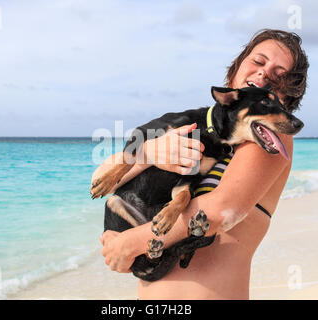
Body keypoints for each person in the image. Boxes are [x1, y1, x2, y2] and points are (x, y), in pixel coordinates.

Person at [93, 29, 309, 299]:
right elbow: (101, 175)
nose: (265, 74)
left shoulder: (271, 139)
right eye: (258, 61)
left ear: (284, 98)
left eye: (279, 75)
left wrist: (128, 244)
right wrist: (148, 153)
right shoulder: (200, 126)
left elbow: (219, 211)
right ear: (237, 66)